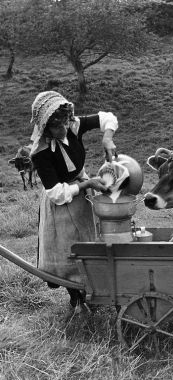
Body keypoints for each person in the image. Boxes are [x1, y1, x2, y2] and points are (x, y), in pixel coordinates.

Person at [30, 90, 118, 309]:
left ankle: (91, 290)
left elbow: (107, 117)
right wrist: (87, 184)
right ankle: (75, 296)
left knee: (87, 241)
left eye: (64, 124)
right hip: (61, 202)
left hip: (82, 195)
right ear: (44, 127)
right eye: (56, 127)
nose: (62, 130)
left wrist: (107, 138)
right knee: (67, 248)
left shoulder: (73, 126)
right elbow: (56, 193)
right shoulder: (40, 152)